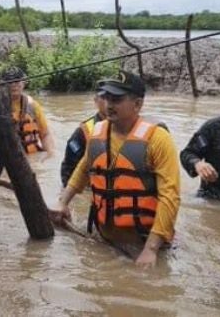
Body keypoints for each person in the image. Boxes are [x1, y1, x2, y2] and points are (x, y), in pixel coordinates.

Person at [50, 71, 181, 268]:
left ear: (137, 104)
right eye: (106, 97)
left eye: (117, 99)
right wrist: (62, 202)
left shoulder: (158, 139)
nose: (109, 105)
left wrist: (151, 249)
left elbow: (170, 196)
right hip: (103, 237)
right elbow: (83, 170)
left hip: (145, 242)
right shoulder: (97, 132)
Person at [0, 66, 55, 158]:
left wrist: (50, 155)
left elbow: (45, 134)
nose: (13, 85)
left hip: (30, 159)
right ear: (2, 85)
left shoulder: (33, 106)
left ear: (24, 83)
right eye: (9, 82)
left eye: (17, 81)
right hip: (1, 161)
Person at [59, 90, 107, 187]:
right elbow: (68, 169)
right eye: (104, 97)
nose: (109, 102)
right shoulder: (82, 132)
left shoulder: (128, 127)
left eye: (115, 98)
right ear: (96, 100)